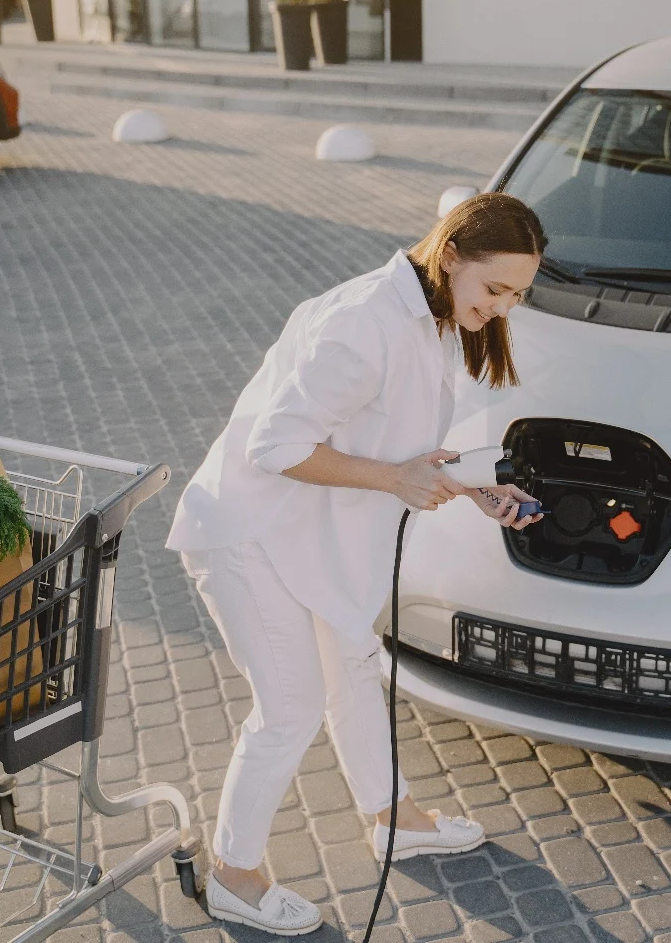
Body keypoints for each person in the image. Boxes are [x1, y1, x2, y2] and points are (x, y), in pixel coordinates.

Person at [166, 193, 547, 936]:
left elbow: (394, 440)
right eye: (495, 289)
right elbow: (273, 447)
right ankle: (235, 876)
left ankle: (394, 816)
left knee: (353, 660)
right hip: (247, 533)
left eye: (518, 295)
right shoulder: (363, 324)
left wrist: (472, 489)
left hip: (306, 536)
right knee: (291, 706)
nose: (502, 308)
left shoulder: (431, 313)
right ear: (450, 257)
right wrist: (395, 480)